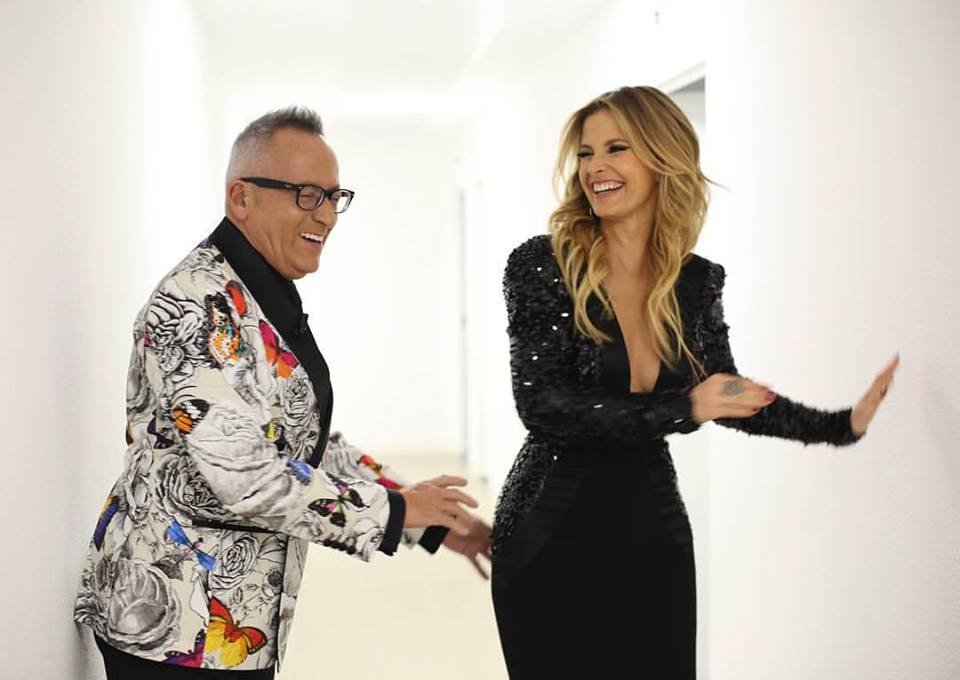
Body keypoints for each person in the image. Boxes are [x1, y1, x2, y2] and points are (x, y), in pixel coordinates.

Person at [490, 86, 898, 678]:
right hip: (548, 531)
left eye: (616, 148)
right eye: (585, 153)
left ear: (663, 157)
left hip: (651, 532)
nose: (595, 167)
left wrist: (840, 425)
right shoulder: (541, 263)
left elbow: (723, 392)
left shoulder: (696, 280)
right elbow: (542, 405)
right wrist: (683, 408)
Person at [74, 107, 492, 678]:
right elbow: (247, 477)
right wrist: (395, 511)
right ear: (240, 198)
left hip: (230, 622)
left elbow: (299, 442)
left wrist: (428, 517)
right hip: (173, 625)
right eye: (305, 194)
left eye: (333, 196)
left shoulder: (260, 290)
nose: (326, 215)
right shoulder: (195, 303)